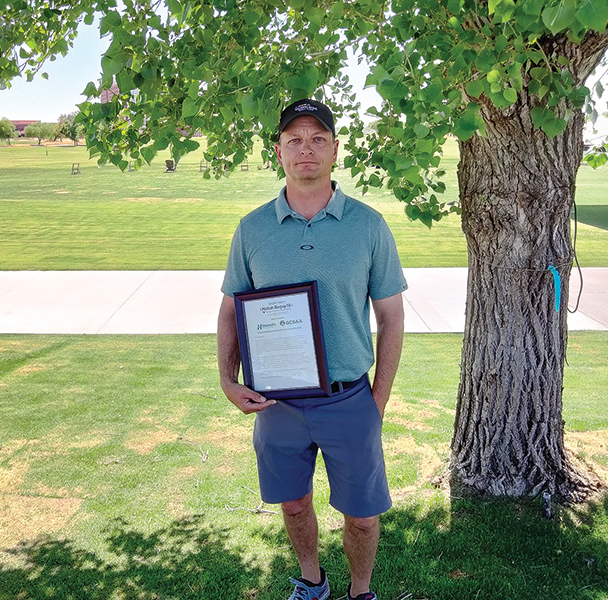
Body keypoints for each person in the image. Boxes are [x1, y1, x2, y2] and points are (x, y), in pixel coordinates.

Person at [217, 98, 407, 600]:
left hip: (349, 399)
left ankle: (360, 592)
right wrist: (228, 379)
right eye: (294, 139)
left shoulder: (368, 225)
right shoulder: (252, 229)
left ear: (335, 150)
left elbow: (391, 317)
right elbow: (231, 310)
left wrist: (377, 400)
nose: (307, 149)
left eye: (318, 138)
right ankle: (312, 582)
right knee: (295, 504)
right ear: (277, 151)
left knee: (363, 517)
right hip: (278, 401)